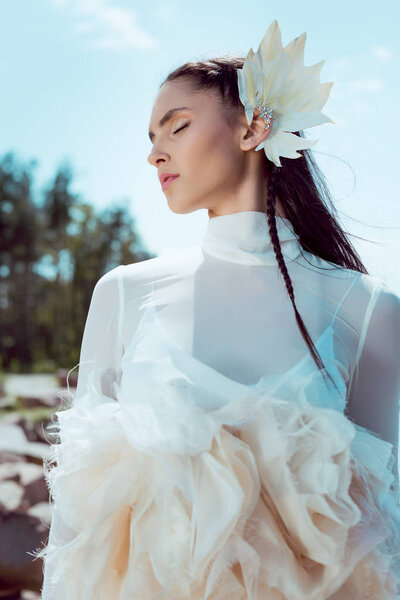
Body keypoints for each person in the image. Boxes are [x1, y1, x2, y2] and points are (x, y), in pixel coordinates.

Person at [34, 20, 400, 599]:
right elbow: (76, 524)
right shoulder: (125, 294)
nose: (155, 155)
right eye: (151, 138)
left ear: (255, 127)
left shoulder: (369, 308)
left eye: (176, 127)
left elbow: (384, 530)